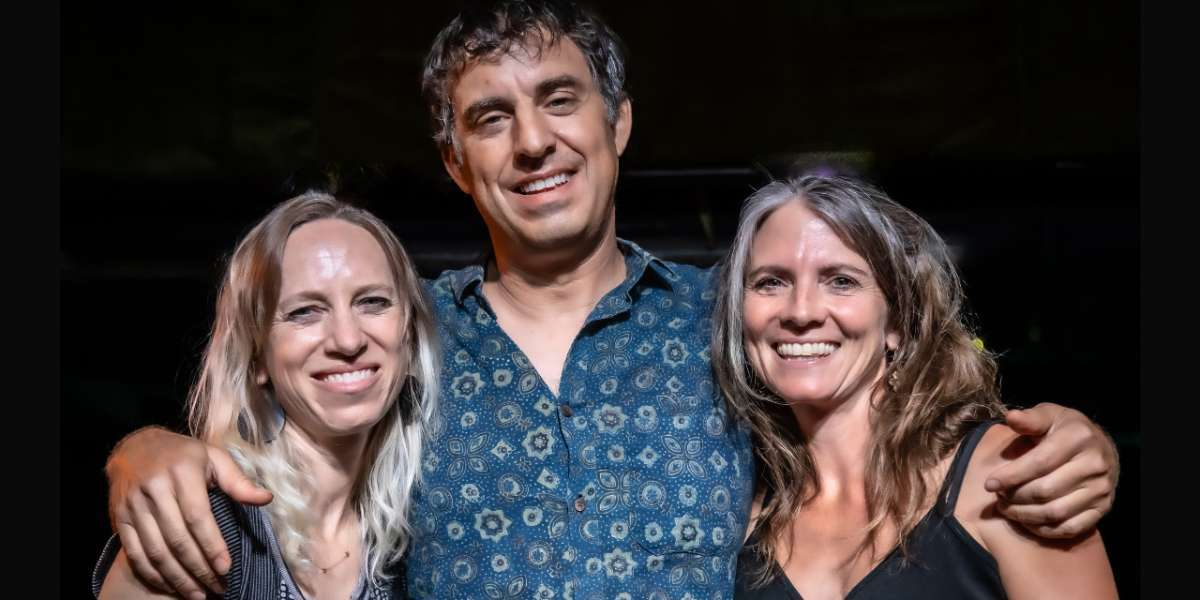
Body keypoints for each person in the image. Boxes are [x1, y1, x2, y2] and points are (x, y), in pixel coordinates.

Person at [99, 2, 1120, 599]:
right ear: (455, 164)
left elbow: (896, 404)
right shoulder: (403, 341)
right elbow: (280, 450)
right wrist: (142, 452)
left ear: (619, 123)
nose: (533, 142)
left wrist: (1075, 439)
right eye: (490, 119)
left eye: (560, 100)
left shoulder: (731, 321)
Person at [713, 174, 1117, 599]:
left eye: (841, 281)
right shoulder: (735, 508)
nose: (801, 311)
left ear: (898, 322)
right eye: (771, 282)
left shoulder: (1009, 476)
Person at [93, 192, 439, 599]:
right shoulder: (199, 525)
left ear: (409, 337)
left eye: (372, 302)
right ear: (257, 356)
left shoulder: (418, 535)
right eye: (304, 311)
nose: (348, 340)